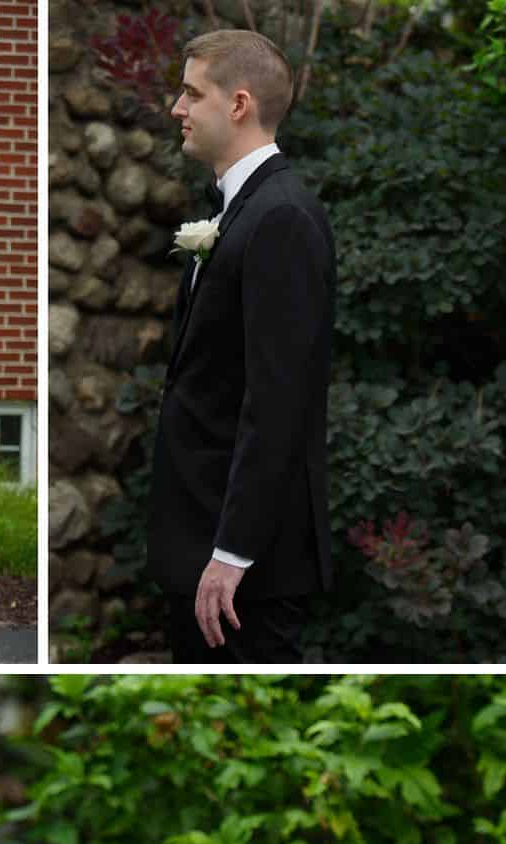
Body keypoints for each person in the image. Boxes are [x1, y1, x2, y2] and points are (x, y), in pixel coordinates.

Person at [146, 29, 335, 665]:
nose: (177, 108)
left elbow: (278, 399)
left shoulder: (282, 217)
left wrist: (231, 554)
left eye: (191, 93)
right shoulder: (240, 211)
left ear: (238, 105)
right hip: (201, 539)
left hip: (242, 565)